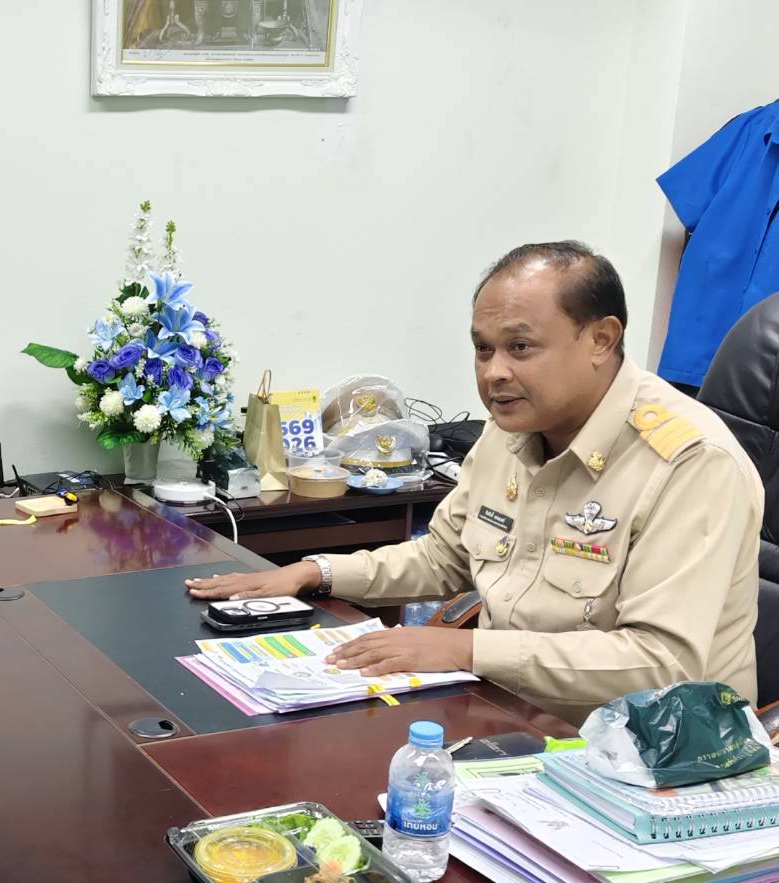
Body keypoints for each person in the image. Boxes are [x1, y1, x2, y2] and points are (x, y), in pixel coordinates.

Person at [188, 241, 763, 726]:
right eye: (483, 349)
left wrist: (466, 649)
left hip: (662, 757)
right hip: (511, 718)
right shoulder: (511, 429)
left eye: (520, 347)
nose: (494, 373)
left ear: (601, 340)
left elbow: (661, 663)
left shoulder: (689, 462)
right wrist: (316, 572)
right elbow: (444, 558)